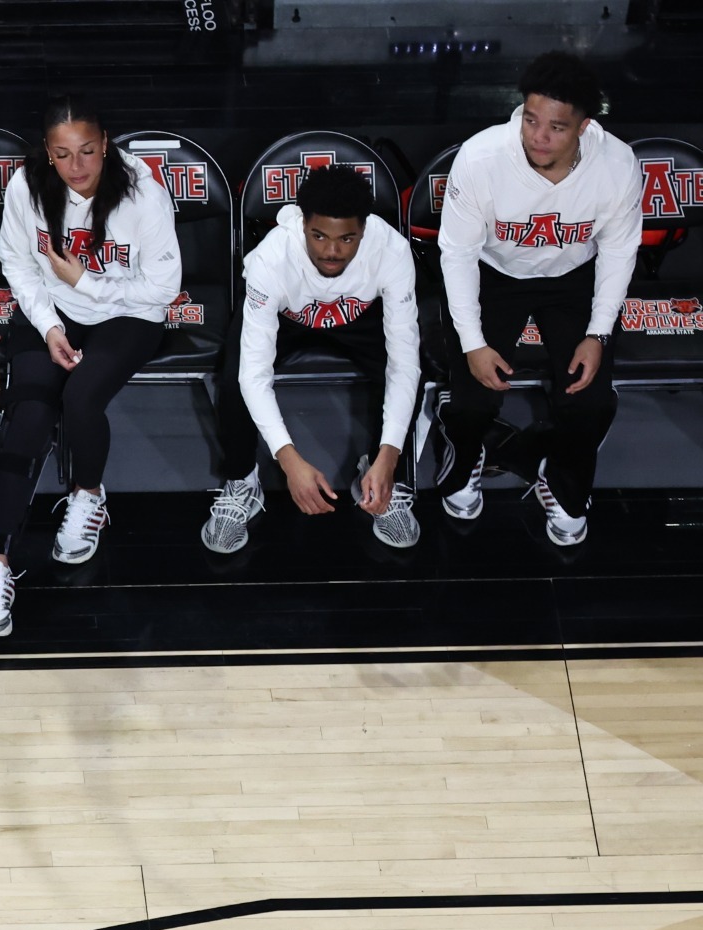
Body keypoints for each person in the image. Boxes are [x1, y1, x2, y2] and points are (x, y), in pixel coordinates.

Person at [0, 96, 179, 637]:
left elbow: (163, 289)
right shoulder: (27, 188)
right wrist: (49, 326)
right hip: (55, 316)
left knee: (80, 397)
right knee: (28, 419)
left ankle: (88, 495)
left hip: (129, 317)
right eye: (63, 154)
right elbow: (16, 262)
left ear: (106, 144)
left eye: (88, 150)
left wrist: (83, 283)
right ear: (48, 152)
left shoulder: (144, 196)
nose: (78, 165)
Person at [437, 50, 641, 547]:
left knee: (587, 394)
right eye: (531, 120)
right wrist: (472, 343)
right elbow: (457, 253)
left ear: (585, 128)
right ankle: (465, 453)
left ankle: (566, 484)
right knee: (473, 389)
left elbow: (618, 252)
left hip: (571, 277)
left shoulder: (616, 165)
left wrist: (598, 333)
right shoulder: (482, 158)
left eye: (556, 128)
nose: (538, 137)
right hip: (495, 272)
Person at [201, 165, 423, 554]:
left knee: (405, 373)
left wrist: (391, 453)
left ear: (365, 230)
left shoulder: (392, 251)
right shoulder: (271, 259)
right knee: (236, 378)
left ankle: (381, 475)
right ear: (303, 223)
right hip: (289, 316)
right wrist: (289, 460)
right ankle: (241, 480)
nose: (332, 251)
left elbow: (405, 361)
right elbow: (254, 374)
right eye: (319, 236)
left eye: (347, 238)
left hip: (358, 314)